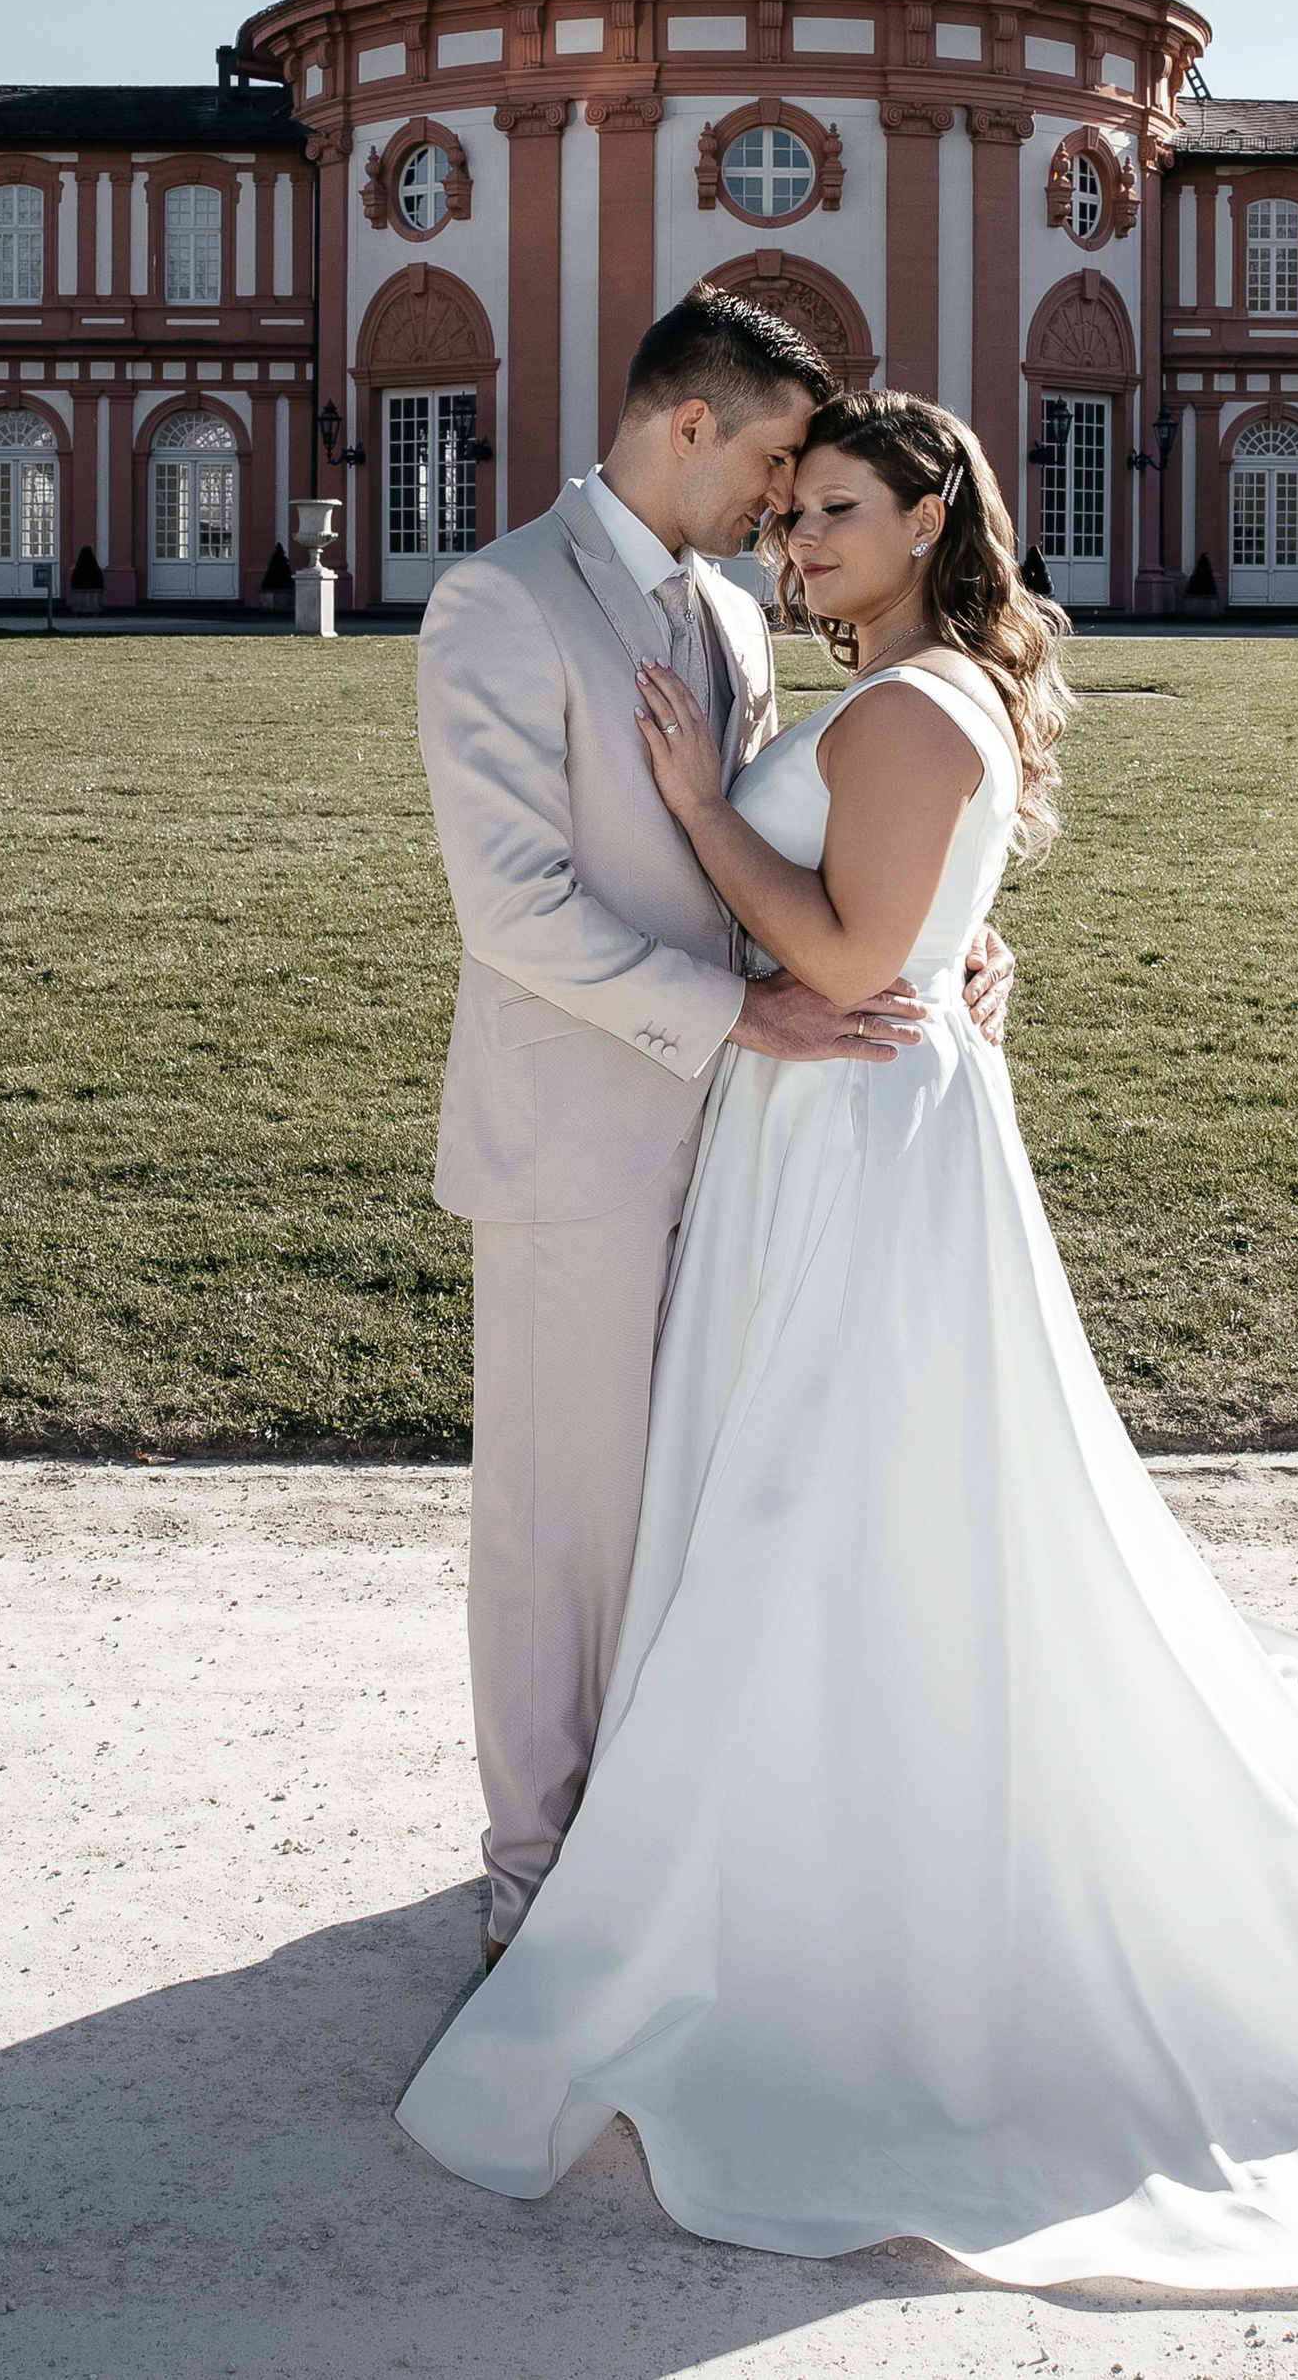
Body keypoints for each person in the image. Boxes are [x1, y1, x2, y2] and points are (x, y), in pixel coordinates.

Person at [401, 389, 1298, 2294]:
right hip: (838, 1123)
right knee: (821, 1493)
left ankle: (824, 1857)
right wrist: (924, 936)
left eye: (834, 511)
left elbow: (836, 956)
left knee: (835, 1491)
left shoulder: (912, 706)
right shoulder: (907, 690)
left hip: (855, 1136)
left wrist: (696, 810)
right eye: (790, 511)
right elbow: (893, 929)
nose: (796, 540)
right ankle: (782, 1820)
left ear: (927, 521)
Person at [413, 296, 1013, 1969]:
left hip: (754, 1147)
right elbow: (512, 907)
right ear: (690, 425)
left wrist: (936, 931)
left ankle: (654, 1839)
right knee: (565, 1529)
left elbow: (787, 859)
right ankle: (533, 1881)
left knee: (688, 1509)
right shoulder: (502, 600)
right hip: (584, 1135)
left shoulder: (733, 621)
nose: (778, 502)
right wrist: (746, 1011)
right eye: (769, 462)